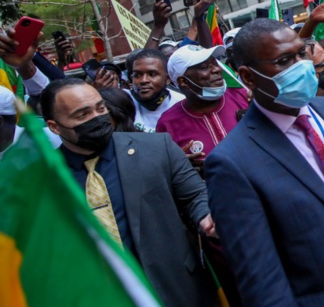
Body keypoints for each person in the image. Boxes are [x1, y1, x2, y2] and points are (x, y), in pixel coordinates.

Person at [205, 18, 324, 306]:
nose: (301, 66)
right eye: (284, 61)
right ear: (248, 77)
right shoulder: (232, 163)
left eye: (301, 53)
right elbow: (262, 281)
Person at [40, 78, 215, 306]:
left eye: (100, 108)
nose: (97, 117)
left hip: (174, 288)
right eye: (82, 115)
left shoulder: (156, 148)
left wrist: (206, 215)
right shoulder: (45, 180)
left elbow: (194, 195)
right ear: (55, 126)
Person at [156, 44, 249, 159]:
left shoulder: (245, 96)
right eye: (205, 67)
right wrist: (183, 166)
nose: (216, 69)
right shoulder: (168, 124)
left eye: (215, 63)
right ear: (184, 81)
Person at [127, 48, 185, 132]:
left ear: (168, 78)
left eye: (152, 74)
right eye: (137, 75)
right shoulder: (122, 102)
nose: (144, 80)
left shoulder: (182, 104)